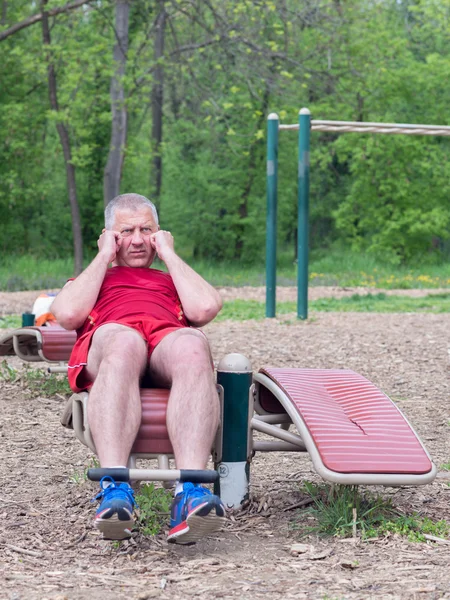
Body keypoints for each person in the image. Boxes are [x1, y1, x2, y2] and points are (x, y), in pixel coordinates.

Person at [52, 193, 225, 544]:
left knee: (193, 344)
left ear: (160, 234)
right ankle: (115, 488)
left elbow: (205, 308)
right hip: (114, 342)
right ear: (108, 236)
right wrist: (103, 256)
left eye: (146, 230)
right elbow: (68, 315)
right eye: (125, 231)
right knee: (125, 342)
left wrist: (170, 255)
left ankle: (190, 490)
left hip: (164, 341)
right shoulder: (92, 278)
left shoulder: (171, 278)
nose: (136, 239)